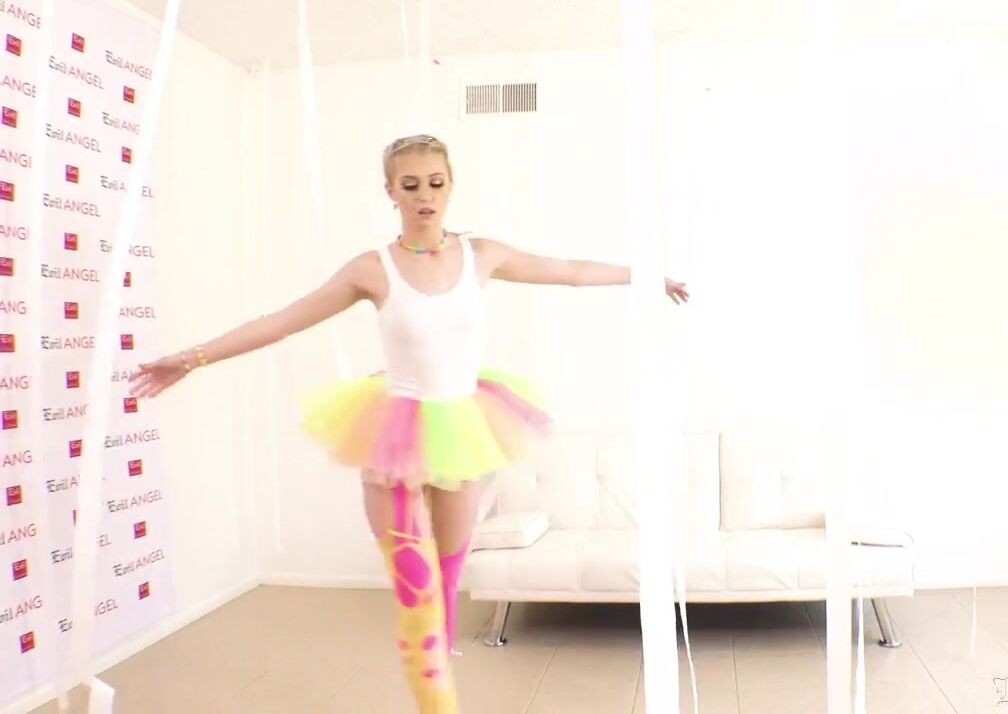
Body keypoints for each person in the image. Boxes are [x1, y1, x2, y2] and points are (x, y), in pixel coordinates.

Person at [129, 134, 690, 713]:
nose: (425, 196)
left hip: (463, 429)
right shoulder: (372, 269)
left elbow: (568, 271)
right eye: (411, 185)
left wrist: (647, 275)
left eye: (436, 183)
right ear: (391, 191)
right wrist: (192, 358)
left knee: (445, 590)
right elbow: (285, 320)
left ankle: (434, 681)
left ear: (451, 186)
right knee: (418, 596)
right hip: (396, 436)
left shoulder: (482, 255)